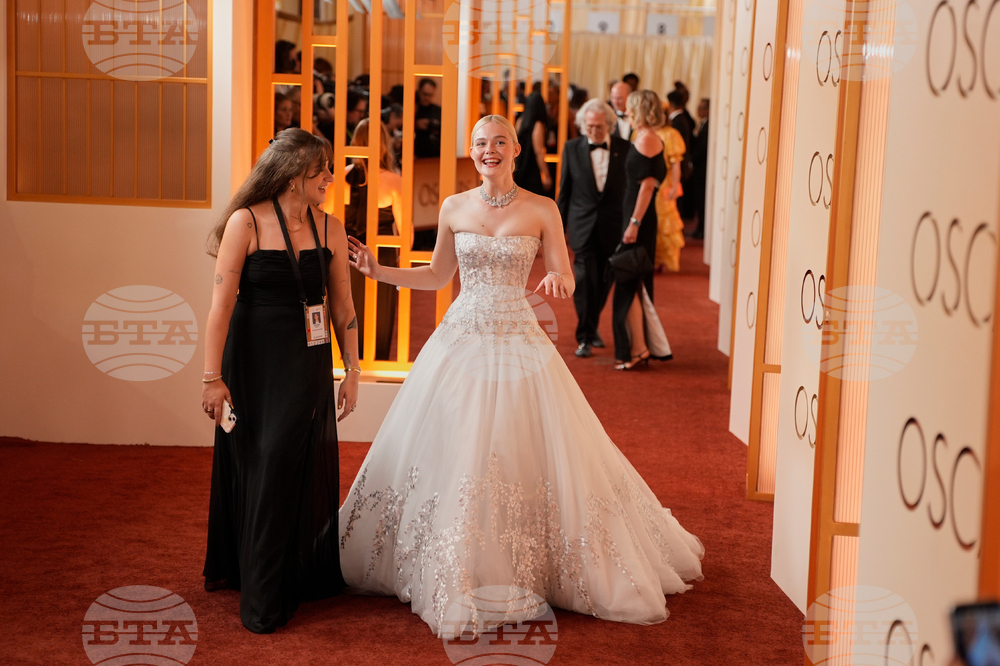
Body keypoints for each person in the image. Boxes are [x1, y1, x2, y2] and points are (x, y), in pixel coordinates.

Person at [339, 114, 704, 639]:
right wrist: (380, 272)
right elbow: (440, 275)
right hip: (460, 339)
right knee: (456, 444)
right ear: (472, 152)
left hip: (516, 339)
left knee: (527, 447)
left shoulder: (541, 208)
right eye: (481, 144)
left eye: (500, 143)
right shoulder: (453, 207)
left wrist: (558, 277)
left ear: (515, 151)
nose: (490, 151)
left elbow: (564, 270)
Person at [201, 128, 360, 633]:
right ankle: (258, 581)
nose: (331, 179)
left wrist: (353, 369)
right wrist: (211, 378)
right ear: (293, 177)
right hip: (252, 361)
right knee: (259, 457)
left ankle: (275, 582)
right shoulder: (245, 223)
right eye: (322, 171)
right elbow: (220, 307)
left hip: (306, 362)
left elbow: (342, 306)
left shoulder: (331, 227)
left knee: (285, 460)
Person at [557, 99, 629, 358]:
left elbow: (630, 192)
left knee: (604, 280)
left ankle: (592, 325)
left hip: (613, 226)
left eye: (598, 127)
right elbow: (564, 190)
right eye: (589, 127)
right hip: (581, 226)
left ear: (609, 126)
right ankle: (585, 336)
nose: (594, 132)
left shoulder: (625, 148)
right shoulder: (571, 148)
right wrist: (557, 230)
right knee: (585, 280)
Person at [612, 90, 674, 370]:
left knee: (631, 281)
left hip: (639, 220)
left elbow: (647, 186)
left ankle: (639, 349)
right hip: (634, 217)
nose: (626, 108)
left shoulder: (648, 138)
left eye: (631, 105)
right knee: (631, 282)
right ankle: (640, 347)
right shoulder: (644, 136)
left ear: (640, 109)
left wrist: (633, 224)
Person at [339, 119, 404, 360]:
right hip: (381, 255)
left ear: (355, 143)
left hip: (345, 254)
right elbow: (406, 232)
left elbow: (327, 222)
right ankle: (377, 364)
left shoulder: (338, 178)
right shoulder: (394, 181)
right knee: (379, 316)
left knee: (345, 312)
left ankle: (346, 364)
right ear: (384, 144)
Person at [654, 120, 686, 272]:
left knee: (665, 222)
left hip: (664, 185)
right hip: (647, 186)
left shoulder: (670, 134)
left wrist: (675, 185)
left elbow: (676, 163)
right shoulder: (640, 131)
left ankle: (662, 260)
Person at [514, 89, 552, 195]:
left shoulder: (520, 121)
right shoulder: (538, 125)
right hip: (532, 170)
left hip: (520, 167)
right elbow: (538, 152)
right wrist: (547, 175)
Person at [666, 90, 695, 221]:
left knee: (676, 203)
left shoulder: (677, 122)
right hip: (682, 165)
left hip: (678, 167)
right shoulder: (682, 119)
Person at [690, 98, 710, 239]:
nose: (698, 110)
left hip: (702, 169)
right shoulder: (703, 123)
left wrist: (691, 161)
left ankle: (702, 228)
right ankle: (700, 227)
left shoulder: (709, 125)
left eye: (701, 107)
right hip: (699, 168)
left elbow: (702, 147)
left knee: (702, 200)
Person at [414, 78, 442, 157]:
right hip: (415, 154)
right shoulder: (413, 109)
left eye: (430, 95)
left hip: (435, 154)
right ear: (419, 92)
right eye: (424, 94)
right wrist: (415, 125)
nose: (427, 98)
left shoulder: (438, 111)